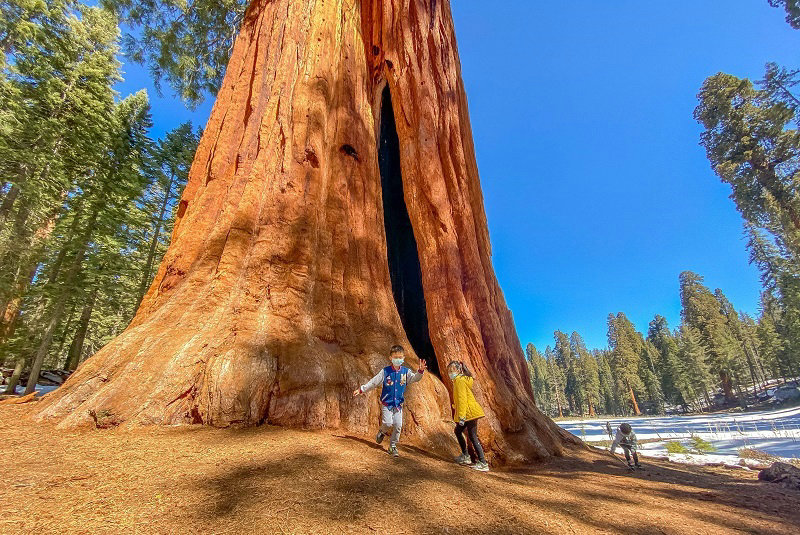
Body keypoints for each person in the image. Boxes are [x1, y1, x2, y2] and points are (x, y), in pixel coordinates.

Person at [353, 345, 426, 457]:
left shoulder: (406, 372)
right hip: (387, 404)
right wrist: (361, 389)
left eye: (400, 357)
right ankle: (382, 431)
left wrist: (420, 371)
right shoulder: (385, 372)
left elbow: (415, 378)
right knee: (387, 423)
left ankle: (393, 446)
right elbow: (374, 382)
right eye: (395, 357)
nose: (398, 359)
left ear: (403, 358)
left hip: (398, 405)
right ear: (390, 358)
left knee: (398, 425)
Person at [447, 360, 489, 472]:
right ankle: (466, 456)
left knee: (472, 436)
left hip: (469, 412)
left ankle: (483, 463)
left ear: (459, 370)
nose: (450, 372)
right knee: (460, 432)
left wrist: (461, 417)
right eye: (449, 370)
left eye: (453, 370)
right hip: (469, 412)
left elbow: (462, 400)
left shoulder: (460, 381)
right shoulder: (460, 380)